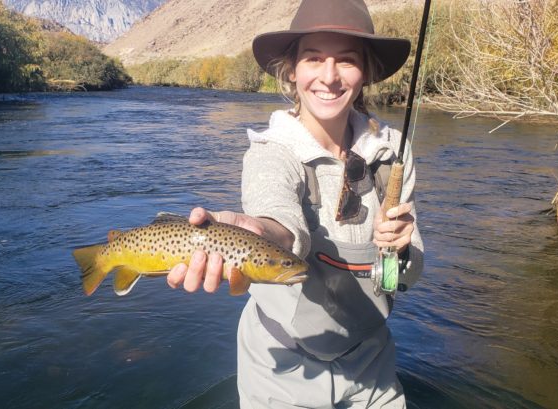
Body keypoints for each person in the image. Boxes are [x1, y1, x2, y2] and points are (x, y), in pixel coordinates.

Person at [165, 0, 424, 406]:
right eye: (313, 58)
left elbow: (401, 281)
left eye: (346, 61)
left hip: (373, 364)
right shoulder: (270, 152)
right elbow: (278, 219)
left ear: (367, 71)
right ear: (292, 70)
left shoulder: (393, 153)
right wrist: (261, 234)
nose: (329, 76)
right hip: (282, 369)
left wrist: (401, 250)